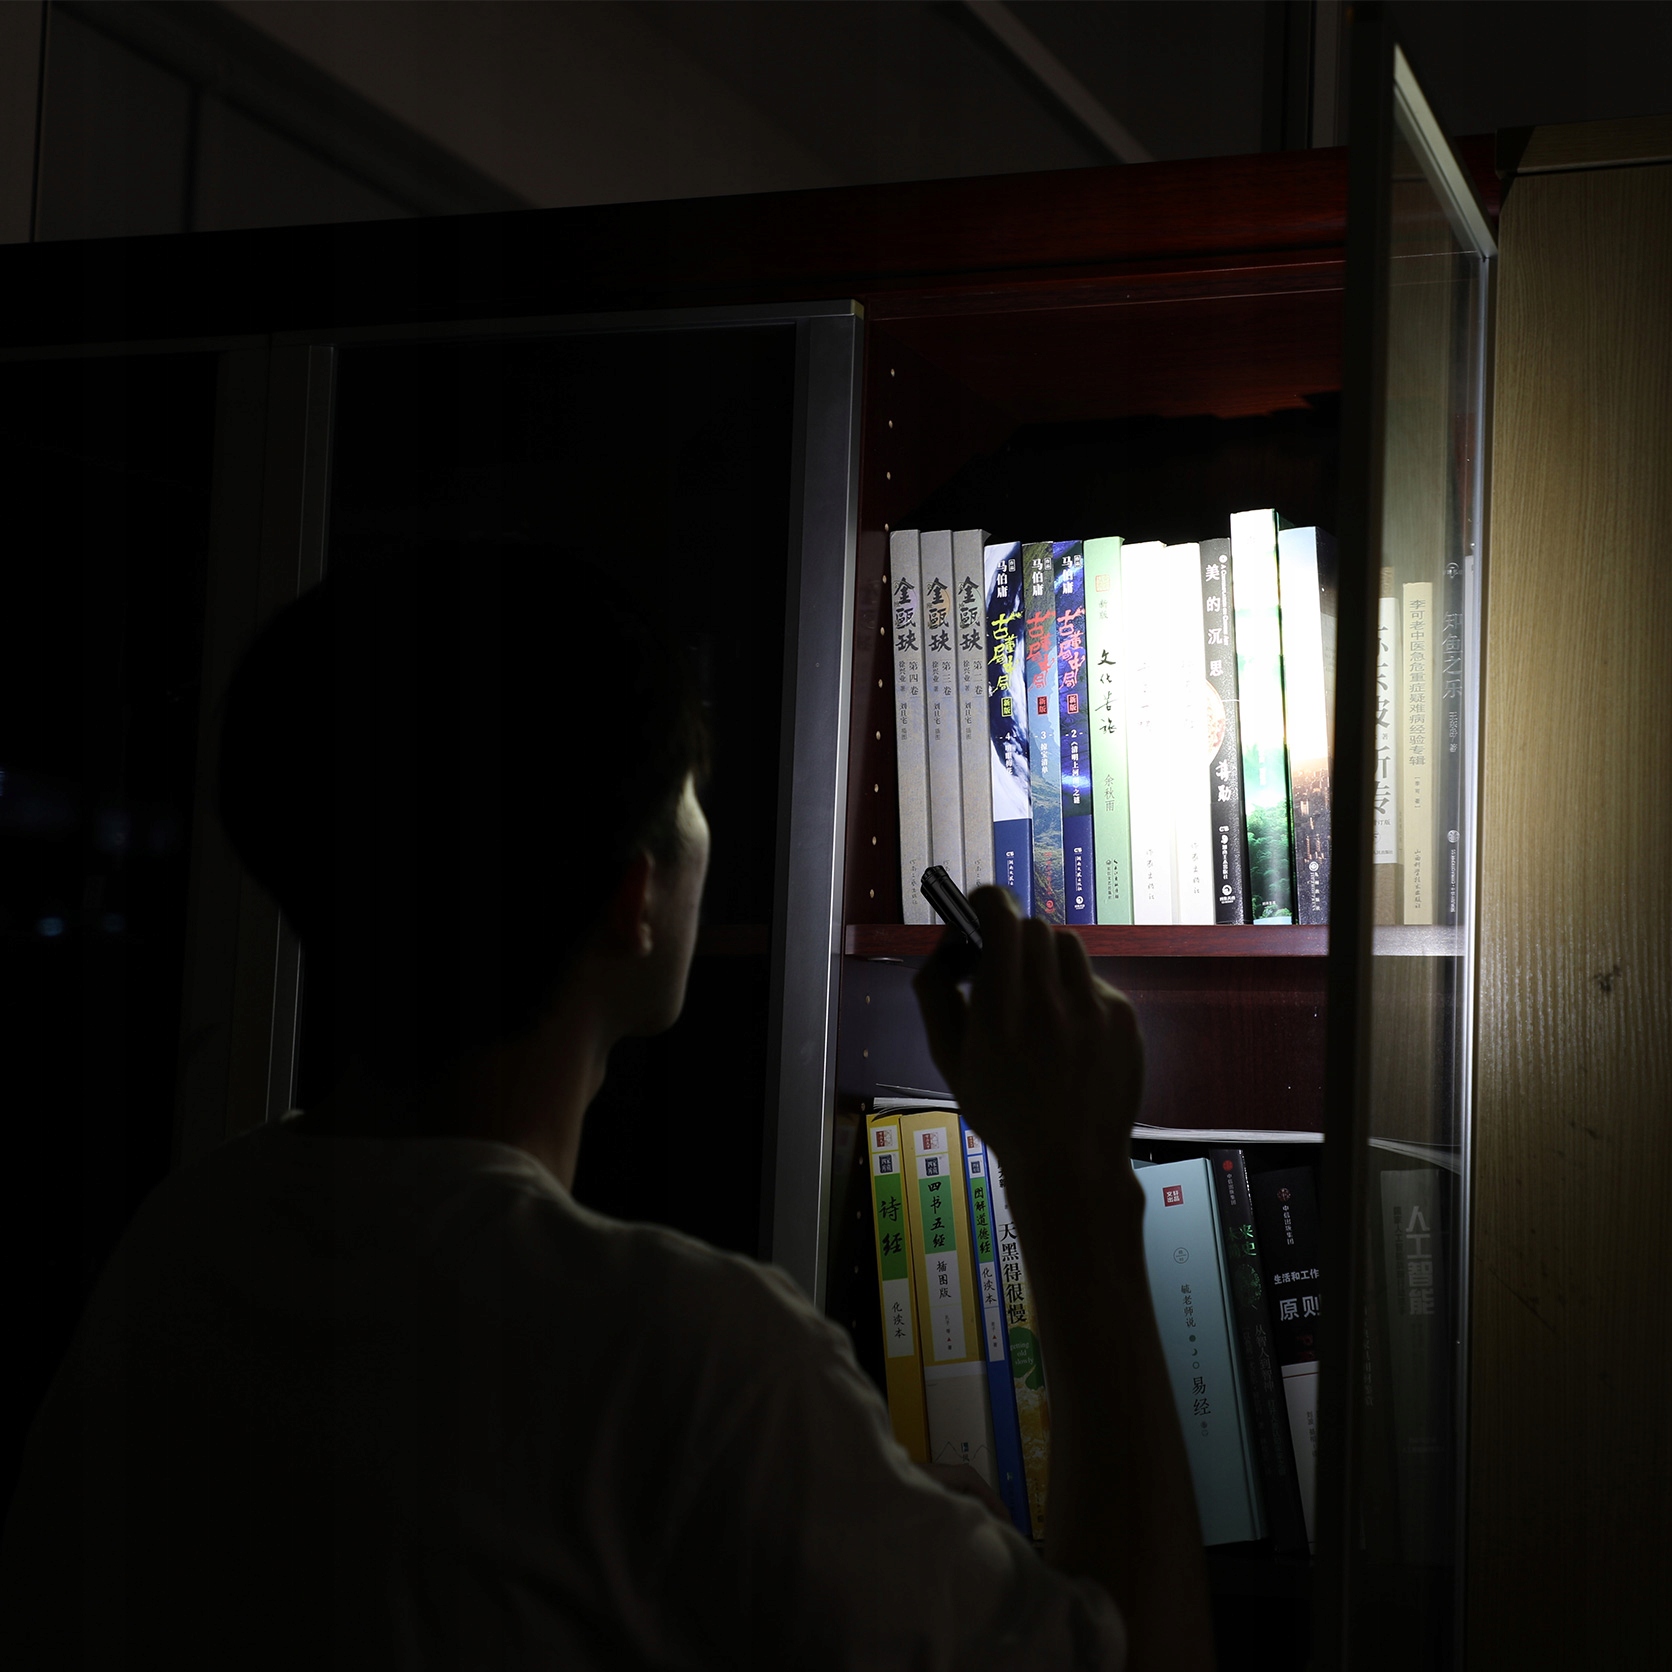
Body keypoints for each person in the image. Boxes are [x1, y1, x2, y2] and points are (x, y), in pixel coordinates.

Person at [0, 544, 1213, 1669]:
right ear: (635, 898)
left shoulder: (176, 1251)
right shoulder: (691, 1365)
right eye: (692, 796)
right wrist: (1069, 1176)